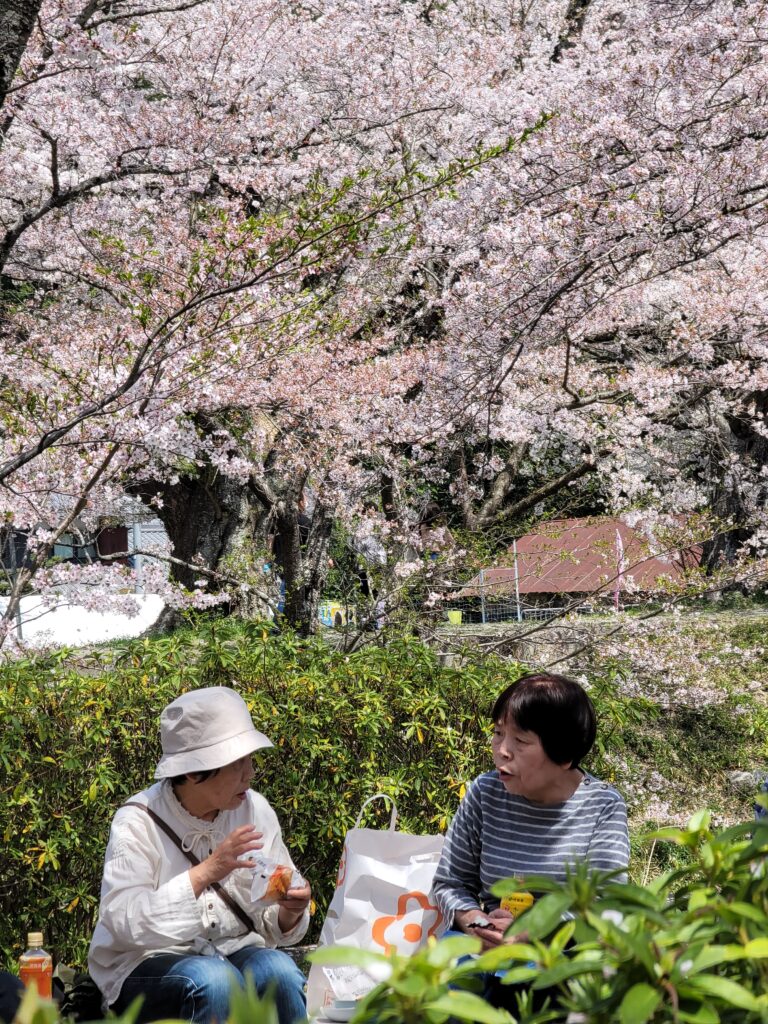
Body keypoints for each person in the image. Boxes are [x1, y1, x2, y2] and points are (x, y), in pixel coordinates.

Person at [88, 686, 311, 1024]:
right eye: (238, 764)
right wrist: (208, 871)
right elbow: (124, 921)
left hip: (232, 952)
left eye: (250, 760)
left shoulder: (256, 810)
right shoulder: (137, 820)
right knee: (214, 980)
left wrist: (290, 911)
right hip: (144, 965)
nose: (250, 773)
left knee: (279, 971)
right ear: (194, 772)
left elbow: (271, 919)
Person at [431, 672, 629, 1007]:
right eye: (497, 733)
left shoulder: (602, 806)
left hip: (561, 950)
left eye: (520, 742)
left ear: (564, 754)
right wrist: (479, 924)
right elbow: (450, 882)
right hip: (485, 942)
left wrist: (530, 932)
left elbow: (606, 903)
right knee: (444, 994)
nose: (502, 751)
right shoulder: (485, 792)